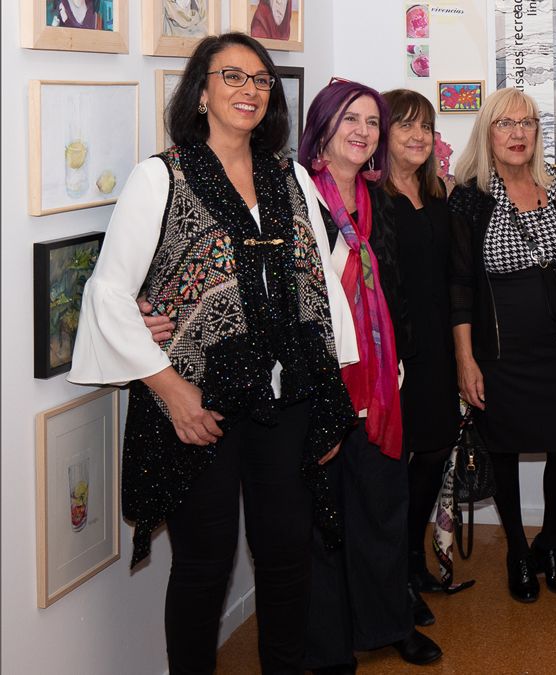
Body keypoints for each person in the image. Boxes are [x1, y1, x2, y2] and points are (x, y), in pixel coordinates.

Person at [68, 33, 357, 673]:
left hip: (287, 399)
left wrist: (329, 399)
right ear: (201, 93)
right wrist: (172, 392)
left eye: (260, 79)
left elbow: (320, 290)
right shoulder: (160, 176)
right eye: (232, 77)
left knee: (287, 557)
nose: (249, 90)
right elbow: (110, 293)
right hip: (199, 407)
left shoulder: (291, 176)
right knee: (205, 564)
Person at [297, 78, 442, 673]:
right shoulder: (297, 194)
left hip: (381, 381)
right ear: (323, 127)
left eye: (372, 122)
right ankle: (331, 646)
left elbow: (400, 287)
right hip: (320, 383)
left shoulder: (378, 198)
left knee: (384, 504)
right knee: (324, 519)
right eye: (349, 120)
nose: (362, 132)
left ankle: (389, 624)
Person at [447, 87, 556, 604]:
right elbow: (459, 285)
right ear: (488, 131)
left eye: (526, 123)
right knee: (502, 447)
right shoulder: (469, 194)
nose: (517, 133)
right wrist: (465, 359)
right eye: (505, 124)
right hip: (500, 354)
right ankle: (515, 549)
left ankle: (550, 543)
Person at [373, 88, 461, 622]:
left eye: (425, 127)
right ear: (384, 135)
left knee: (431, 454)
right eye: (404, 126)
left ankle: (409, 557)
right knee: (391, 465)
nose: (416, 136)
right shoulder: (370, 197)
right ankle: (391, 573)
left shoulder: (437, 197)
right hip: (393, 353)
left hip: (437, 349)